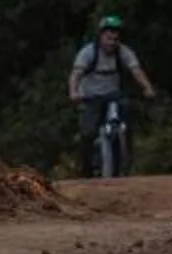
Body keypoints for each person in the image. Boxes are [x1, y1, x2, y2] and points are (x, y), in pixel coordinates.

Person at [66, 14, 156, 161]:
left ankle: (125, 155)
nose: (112, 42)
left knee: (127, 117)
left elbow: (136, 71)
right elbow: (76, 74)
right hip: (90, 96)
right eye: (108, 38)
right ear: (101, 36)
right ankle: (86, 166)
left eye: (115, 39)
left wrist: (147, 88)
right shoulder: (88, 52)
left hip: (113, 94)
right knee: (88, 132)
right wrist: (73, 92)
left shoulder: (123, 52)